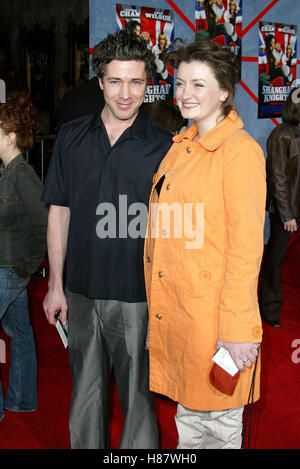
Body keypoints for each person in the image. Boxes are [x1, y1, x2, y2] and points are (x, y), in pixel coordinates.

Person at [42, 28, 172, 449]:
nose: (125, 93)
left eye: (136, 82)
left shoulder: (164, 147)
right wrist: (55, 285)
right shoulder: (71, 137)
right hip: (80, 293)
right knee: (84, 397)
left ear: (147, 85)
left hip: (138, 297)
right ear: (99, 81)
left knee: (138, 403)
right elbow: (58, 211)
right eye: (115, 81)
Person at [144, 38, 266, 449]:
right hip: (181, 313)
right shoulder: (183, 146)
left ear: (225, 92)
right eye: (180, 84)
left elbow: (246, 250)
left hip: (216, 324)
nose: (185, 94)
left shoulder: (240, 153)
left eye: (199, 85)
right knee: (190, 424)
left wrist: (235, 330)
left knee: (217, 427)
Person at [0, 91, 48, 423]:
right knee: (20, 333)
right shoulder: (8, 173)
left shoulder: (22, 176)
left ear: (10, 136)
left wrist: (24, 269)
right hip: (7, 268)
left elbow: (46, 225)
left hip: (8, 271)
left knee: (20, 333)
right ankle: (20, 401)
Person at [259, 88, 300, 327]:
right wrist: (286, 214)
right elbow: (277, 177)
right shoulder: (281, 135)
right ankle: (270, 309)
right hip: (286, 211)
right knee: (275, 260)